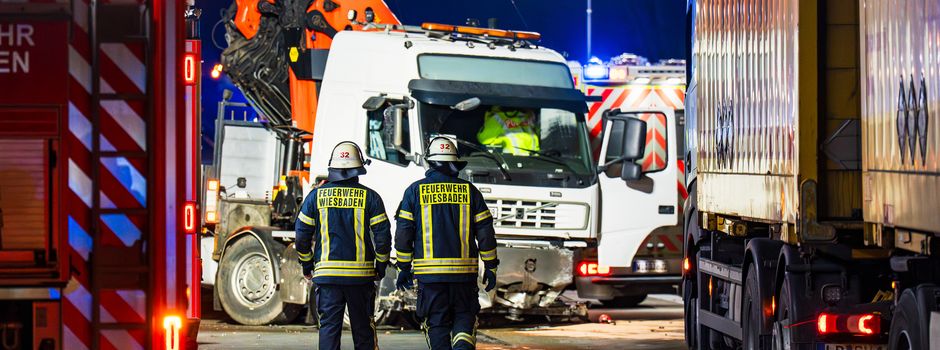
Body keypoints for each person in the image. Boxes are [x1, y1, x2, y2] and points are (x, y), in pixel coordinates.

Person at [394, 136, 499, 350]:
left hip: (430, 278)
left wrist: (403, 267)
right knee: (464, 318)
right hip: (463, 277)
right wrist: (490, 267)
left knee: (437, 324)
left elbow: (404, 235)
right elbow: (486, 234)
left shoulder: (415, 191)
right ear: (455, 163)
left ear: (430, 162)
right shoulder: (470, 191)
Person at [295, 141, 391, 350]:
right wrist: (380, 267)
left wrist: (307, 265)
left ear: (333, 168)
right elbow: (383, 237)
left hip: (327, 277)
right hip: (361, 278)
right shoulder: (370, 197)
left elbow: (302, 236)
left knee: (329, 329)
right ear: (358, 169)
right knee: (363, 330)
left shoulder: (315, 197)